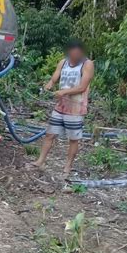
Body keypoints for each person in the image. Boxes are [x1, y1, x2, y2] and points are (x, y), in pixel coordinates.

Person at [33, 41, 94, 176]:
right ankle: (40, 161)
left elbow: (82, 87)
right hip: (61, 105)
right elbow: (56, 75)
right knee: (50, 134)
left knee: (73, 138)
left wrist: (64, 92)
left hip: (76, 107)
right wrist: (50, 82)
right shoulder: (63, 62)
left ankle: (68, 166)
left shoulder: (87, 64)